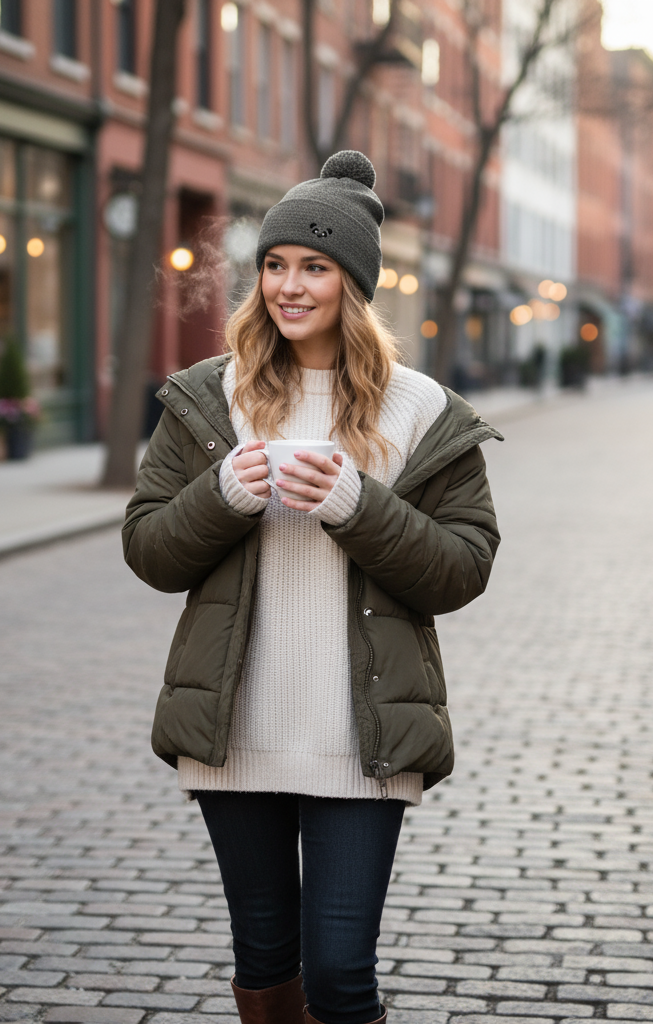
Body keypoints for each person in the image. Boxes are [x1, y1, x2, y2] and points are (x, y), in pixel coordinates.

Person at [123, 151, 502, 1024]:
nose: (289, 286)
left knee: (339, 973)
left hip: (359, 735)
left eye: (315, 268)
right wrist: (221, 498)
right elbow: (149, 551)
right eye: (275, 264)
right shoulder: (209, 400)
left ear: (354, 285)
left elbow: (462, 569)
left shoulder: (421, 411)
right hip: (235, 725)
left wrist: (353, 505)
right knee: (261, 954)